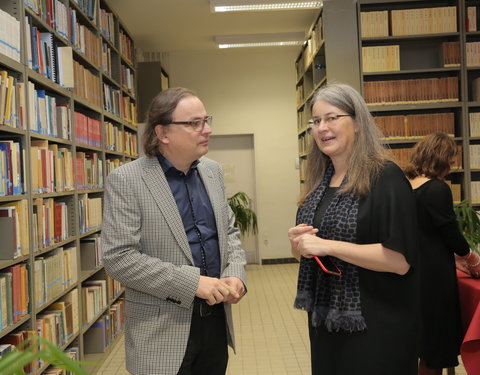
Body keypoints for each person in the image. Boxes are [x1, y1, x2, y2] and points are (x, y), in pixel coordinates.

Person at [102, 87, 247, 375]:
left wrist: (235, 273)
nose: (207, 129)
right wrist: (193, 284)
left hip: (215, 323)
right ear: (163, 133)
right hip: (160, 330)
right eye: (195, 123)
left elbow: (228, 232)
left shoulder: (212, 171)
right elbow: (119, 258)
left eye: (206, 120)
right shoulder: (127, 180)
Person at [288, 83, 419, 374]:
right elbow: (306, 256)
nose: (322, 127)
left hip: (377, 327)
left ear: (358, 123)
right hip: (327, 323)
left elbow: (400, 261)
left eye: (332, 117)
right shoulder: (319, 183)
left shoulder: (385, 177)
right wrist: (300, 245)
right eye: (316, 121)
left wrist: (328, 245)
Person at [404, 132, 480, 375]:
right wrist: (471, 258)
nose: (453, 164)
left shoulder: (406, 185)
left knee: (423, 345)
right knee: (435, 349)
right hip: (434, 276)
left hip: (412, 272)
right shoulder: (437, 189)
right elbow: (450, 233)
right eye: (452, 157)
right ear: (441, 157)